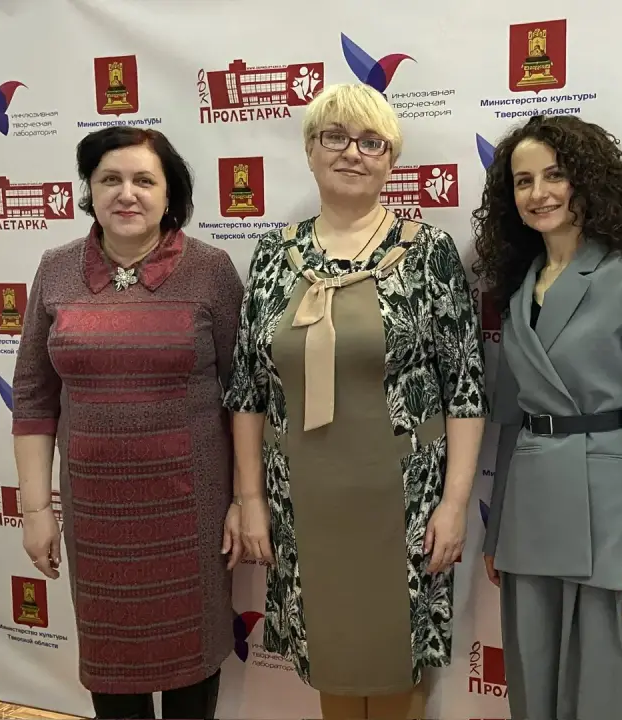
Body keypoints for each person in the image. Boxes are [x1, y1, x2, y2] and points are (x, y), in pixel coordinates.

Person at [223, 82, 487, 720]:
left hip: (405, 500)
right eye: (334, 137)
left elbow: (465, 387)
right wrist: (250, 499)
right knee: (332, 654)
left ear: (391, 161)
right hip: (301, 498)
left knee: (395, 657)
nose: (352, 152)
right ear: (310, 151)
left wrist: (454, 504)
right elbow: (248, 390)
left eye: (372, 142)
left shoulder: (427, 252)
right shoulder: (274, 255)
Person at [10, 126, 245, 719]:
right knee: (113, 685)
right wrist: (36, 512)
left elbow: (246, 395)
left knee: (192, 684)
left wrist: (246, 499)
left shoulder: (211, 270)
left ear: (170, 194)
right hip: (96, 523)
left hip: (191, 517)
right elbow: (34, 398)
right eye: (110, 179)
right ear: (89, 190)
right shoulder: (56, 270)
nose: (127, 193)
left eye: (144, 180)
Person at [474, 114, 622, 719]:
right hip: (530, 519)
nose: (538, 193)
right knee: (533, 688)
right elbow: (511, 422)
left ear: (586, 181)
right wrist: (497, 531)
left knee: (606, 693)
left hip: (608, 520)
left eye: (554, 176)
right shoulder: (519, 288)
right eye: (523, 181)